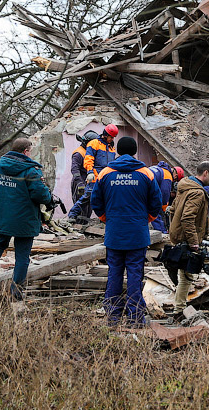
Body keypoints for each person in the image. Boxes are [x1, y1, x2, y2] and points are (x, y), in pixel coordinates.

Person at [89, 136, 161, 326]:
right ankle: (135, 318)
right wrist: (145, 220)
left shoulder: (105, 172)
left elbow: (95, 202)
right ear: (135, 151)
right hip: (137, 233)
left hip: (114, 232)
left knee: (114, 272)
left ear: (117, 151)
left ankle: (112, 316)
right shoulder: (146, 173)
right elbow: (156, 204)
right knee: (135, 274)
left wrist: (107, 219)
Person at [0, 137, 53, 300]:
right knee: (22, 256)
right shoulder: (31, 171)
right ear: (26, 151)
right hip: (24, 217)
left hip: (3, 213)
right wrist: (50, 199)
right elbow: (40, 194)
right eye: (30, 150)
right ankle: (16, 291)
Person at [169, 160, 209, 313]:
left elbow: (172, 210)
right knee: (186, 276)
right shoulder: (197, 192)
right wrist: (194, 242)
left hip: (179, 235)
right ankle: (180, 310)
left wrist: (174, 231)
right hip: (186, 238)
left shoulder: (184, 187)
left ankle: (180, 306)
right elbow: (188, 218)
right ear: (206, 173)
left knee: (184, 273)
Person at [66, 124, 118, 223]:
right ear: (106, 135)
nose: (112, 139)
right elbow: (88, 159)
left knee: (106, 199)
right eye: (111, 137)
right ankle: (72, 214)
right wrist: (90, 172)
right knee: (87, 197)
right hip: (94, 176)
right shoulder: (93, 144)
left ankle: (105, 219)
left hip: (106, 177)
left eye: (113, 137)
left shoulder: (111, 147)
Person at [70, 130, 99, 206]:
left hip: (88, 183)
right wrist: (80, 183)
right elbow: (75, 170)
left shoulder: (89, 152)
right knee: (80, 208)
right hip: (80, 183)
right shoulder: (78, 153)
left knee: (88, 208)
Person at [148, 161, 175, 233]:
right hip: (147, 187)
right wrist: (164, 208)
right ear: (175, 174)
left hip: (141, 186)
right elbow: (165, 193)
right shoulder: (167, 175)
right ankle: (162, 233)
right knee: (156, 210)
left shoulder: (157, 169)